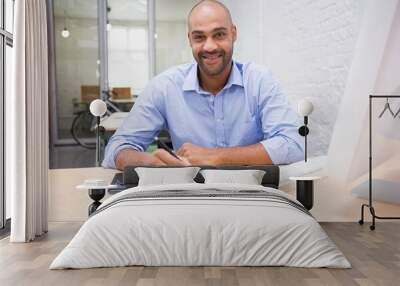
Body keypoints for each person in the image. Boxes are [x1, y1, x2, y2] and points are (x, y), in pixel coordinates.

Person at [102, 0, 304, 170]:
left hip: (253, 194)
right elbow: (115, 150)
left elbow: (295, 144)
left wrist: (215, 157)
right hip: (189, 196)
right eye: (199, 37)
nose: (209, 46)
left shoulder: (260, 80)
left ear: (233, 34)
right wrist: (155, 161)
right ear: (189, 39)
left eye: (219, 34)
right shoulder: (165, 86)